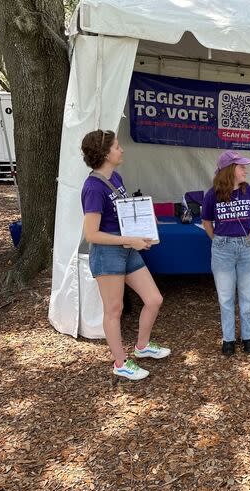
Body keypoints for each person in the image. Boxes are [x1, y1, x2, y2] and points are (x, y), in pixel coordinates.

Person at [80, 129, 170, 381]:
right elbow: (91, 234)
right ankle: (120, 362)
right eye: (117, 146)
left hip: (127, 248)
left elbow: (124, 213)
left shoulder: (116, 178)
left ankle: (142, 347)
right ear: (105, 153)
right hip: (108, 254)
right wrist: (130, 239)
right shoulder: (92, 188)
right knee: (114, 310)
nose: (121, 150)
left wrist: (144, 228)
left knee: (154, 299)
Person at [201, 150, 250, 356]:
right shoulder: (212, 194)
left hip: (247, 248)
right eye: (241, 166)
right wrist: (219, 241)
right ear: (230, 170)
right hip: (222, 249)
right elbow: (206, 222)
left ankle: (248, 337)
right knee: (225, 298)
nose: (245, 169)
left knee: (247, 298)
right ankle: (228, 339)